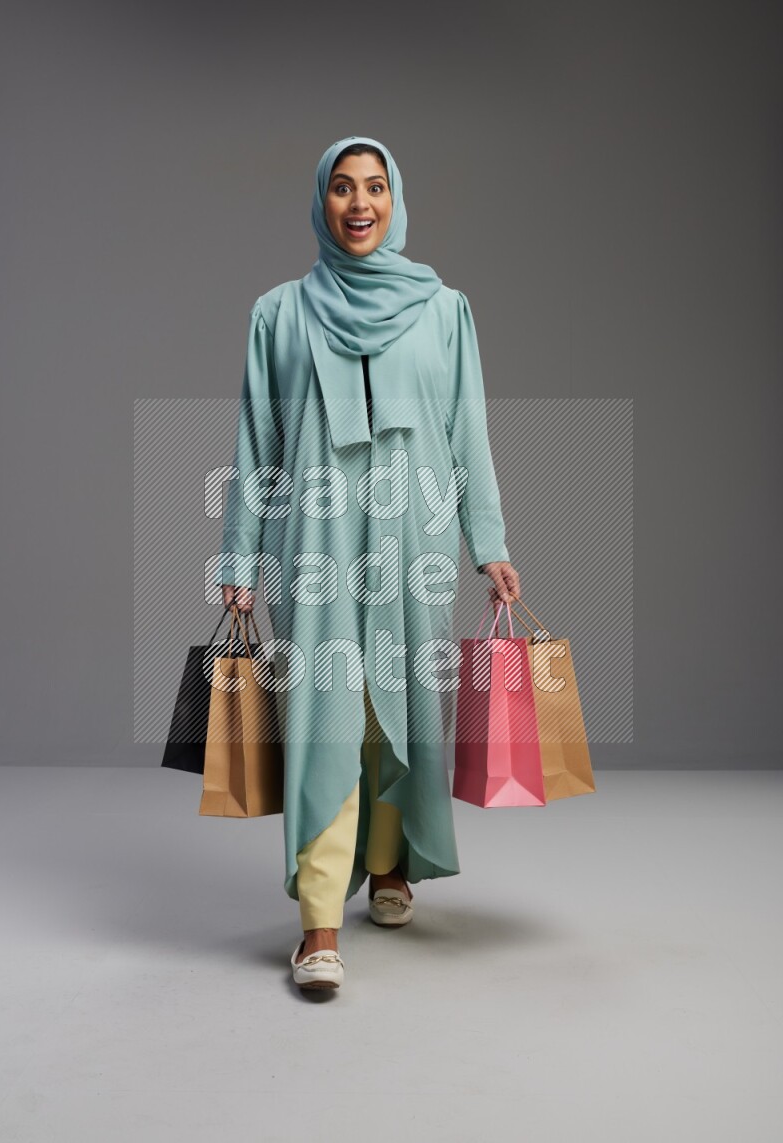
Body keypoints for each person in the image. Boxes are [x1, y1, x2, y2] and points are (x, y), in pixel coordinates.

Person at [218, 135, 520, 991]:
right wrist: (237, 558)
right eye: (343, 188)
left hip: (413, 545)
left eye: (376, 187)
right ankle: (319, 922)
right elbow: (257, 445)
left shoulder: (443, 309)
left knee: (398, 710)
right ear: (321, 202)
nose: (359, 203)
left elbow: (469, 436)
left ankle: (389, 866)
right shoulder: (279, 314)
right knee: (324, 718)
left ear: (396, 199)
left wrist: (487, 544)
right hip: (314, 547)